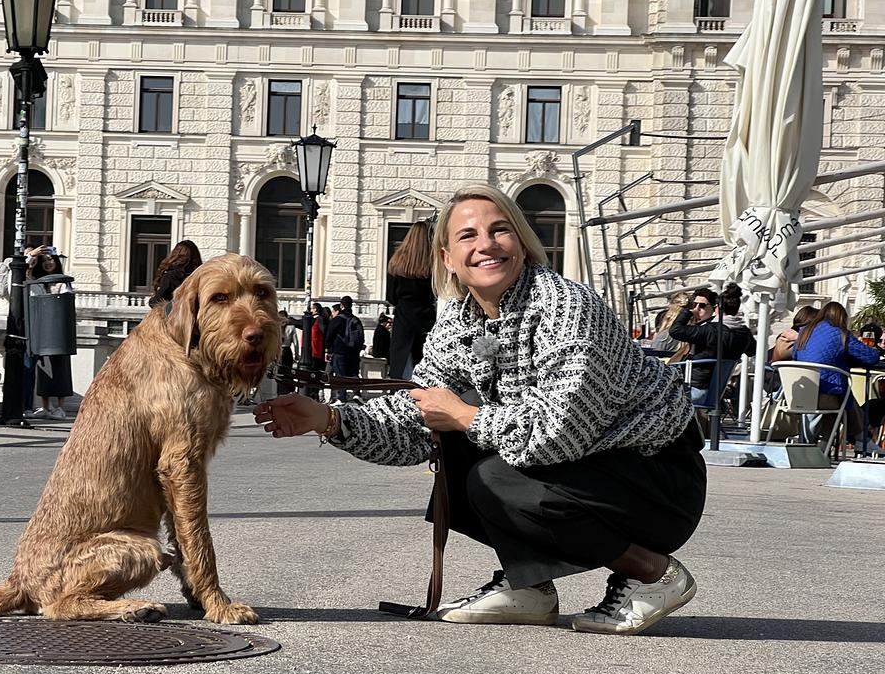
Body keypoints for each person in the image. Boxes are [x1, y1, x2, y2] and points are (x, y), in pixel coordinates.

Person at [254, 184, 705, 636]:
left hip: (658, 479)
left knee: (491, 471)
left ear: (522, 243)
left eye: (500, 230)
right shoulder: (460, 318)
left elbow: (556, 435)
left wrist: (464, 415)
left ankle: (654, 572)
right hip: (592, 471)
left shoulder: (567, 307)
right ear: (448, 258)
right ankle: (530, 584)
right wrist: (329, 419)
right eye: (468, 236)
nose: (486, 244)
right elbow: (416, 418)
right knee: (455, 443)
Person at [791, 301, 881, 450]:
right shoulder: (840, 334)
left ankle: (833, 446)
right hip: (823, 395)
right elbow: (871, 357)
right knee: (844, 400)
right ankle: (861, 440)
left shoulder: (804, 333)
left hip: (800, 393)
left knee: (843, 397)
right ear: (841, 318)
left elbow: (795, 356)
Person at [669, 284, 756, 407]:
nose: (697, 308)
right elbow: (752, 351)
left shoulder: (710, 330)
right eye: (695, 306)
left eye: (702, 306)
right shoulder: (744, 333)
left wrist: (688, 312)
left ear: (716, 309)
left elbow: (675, 331)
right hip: (717, 392)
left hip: (696, 388)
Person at [386, 220, 437, 379]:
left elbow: (391, 297)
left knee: (402, 368)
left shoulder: (397, 263)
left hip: (403, 321)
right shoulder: (433, 264)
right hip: (426, 321)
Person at [27, 246, 74, 420]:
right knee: (43, 369)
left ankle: (60, 407)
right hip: (43, 332)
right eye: (45, 261)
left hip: (59, 332)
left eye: (51, 260)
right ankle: (45, 407)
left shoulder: (63, 282)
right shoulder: (38, 281)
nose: (48, 263)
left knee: (61, 370)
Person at [324, 296, 365, 404]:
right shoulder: (356, 320)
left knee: (340, 375)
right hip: (354, 352)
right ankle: (357, 394)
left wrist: (328, 350)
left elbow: (329, 335)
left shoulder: (337, 319)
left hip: (340, 351)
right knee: (354, 373)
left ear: (342, 306)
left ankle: (341, 397)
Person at [148, 239, 202, 307]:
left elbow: (157, 301)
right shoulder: (200, 275)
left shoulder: (170, 276)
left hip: (175, 315)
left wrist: (151, 300)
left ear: (175, 255)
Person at [647, 292, 692, 358]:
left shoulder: (665, 336)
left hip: (667, 366)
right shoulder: (696, 333)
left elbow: (652, 359)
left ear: (670, 312)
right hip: (688, 366)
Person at [277, 309, 299, 396]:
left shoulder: (275, 327)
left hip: (278, 351)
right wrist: (297, 354)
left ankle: (279, 389)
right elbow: (296, 342)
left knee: (279, 371)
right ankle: (287, 390)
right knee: (288, 371)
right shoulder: (291, 327)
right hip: (287, 351)